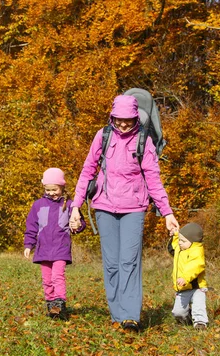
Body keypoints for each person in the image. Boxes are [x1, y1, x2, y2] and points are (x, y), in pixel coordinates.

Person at [69, 94, 179, 333]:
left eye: (128, 120)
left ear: (136, 118)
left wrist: (167, 212)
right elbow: (88, 170)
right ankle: (117, 315)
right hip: (104, 207)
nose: (123, 124)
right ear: (112, 116)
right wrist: (75, 206)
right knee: (112, 264)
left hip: (134, 208)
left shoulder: (144, 140)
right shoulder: (103, 136)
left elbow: (153, 178)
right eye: (118, 120)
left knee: (129, 261)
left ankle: (130, 317)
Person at [24, 167, 86, 320]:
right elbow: (31, 226)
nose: (51, 193)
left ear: (62, 187)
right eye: (48, 189)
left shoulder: (69, 205)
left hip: (60, 248)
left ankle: (60, 304)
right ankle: (51, 304)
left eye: (54, 189)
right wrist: (28, 244)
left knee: (58, 276)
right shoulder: (38, 205)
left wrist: (77, 226)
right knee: (47, 279)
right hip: (43, 249)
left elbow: (79, 222)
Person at [168, 222, 209, 330]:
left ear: (193, 242)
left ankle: (200, 323)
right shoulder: (180, 249)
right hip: (182, 288)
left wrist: (185, 278)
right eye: (180, 240)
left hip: (196, 287)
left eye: (183, 241)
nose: (180, 243)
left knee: (198, 306)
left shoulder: (196, 251)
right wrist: (176, 235)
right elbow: (172, 248)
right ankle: (187, 319)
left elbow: (196, 266)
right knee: (178, 312)